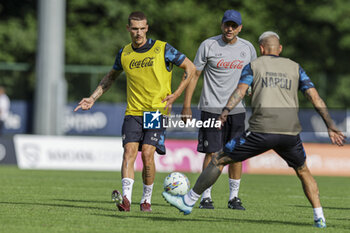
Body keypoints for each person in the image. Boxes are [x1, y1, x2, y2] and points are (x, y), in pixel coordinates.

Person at [163, 31, 345, 228]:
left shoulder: (254, 65)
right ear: (280, 49)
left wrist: (225, 111)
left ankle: (189, 200)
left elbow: (240, 91)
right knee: (303, 170)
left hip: (262, 130)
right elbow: (315, 98)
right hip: (290, 133)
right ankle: (320, 217)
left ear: (261, 49)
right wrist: (331, 126)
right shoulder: (295, 67)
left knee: (219, 158)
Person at [75, 11, 195, 212]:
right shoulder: (124, 53)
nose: (138, 33)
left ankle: (146, 199)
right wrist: (93, 97)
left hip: (156, 112)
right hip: (133, 111)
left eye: (142, 29)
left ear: (147, 28)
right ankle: (126, 200)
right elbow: (110, 77)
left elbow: (190, 68)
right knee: (129, 152)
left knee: (148, 154)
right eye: (134, 29)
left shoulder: (162, 48)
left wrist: (175, 95)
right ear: (128, 29)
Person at [181, 9, 256, 210]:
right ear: (221, 25)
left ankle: (234, 197)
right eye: (226, 24)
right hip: (211, 108)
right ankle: (205, 196)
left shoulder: (248, 48)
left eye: (234, 25)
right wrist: (186, 105)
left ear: (240, 28)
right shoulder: (208, 45)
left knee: (236, 154)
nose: (229, 28)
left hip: (237, 110)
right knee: (212, 152)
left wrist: (252, 93)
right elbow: (194, 75)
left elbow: (253, 77)